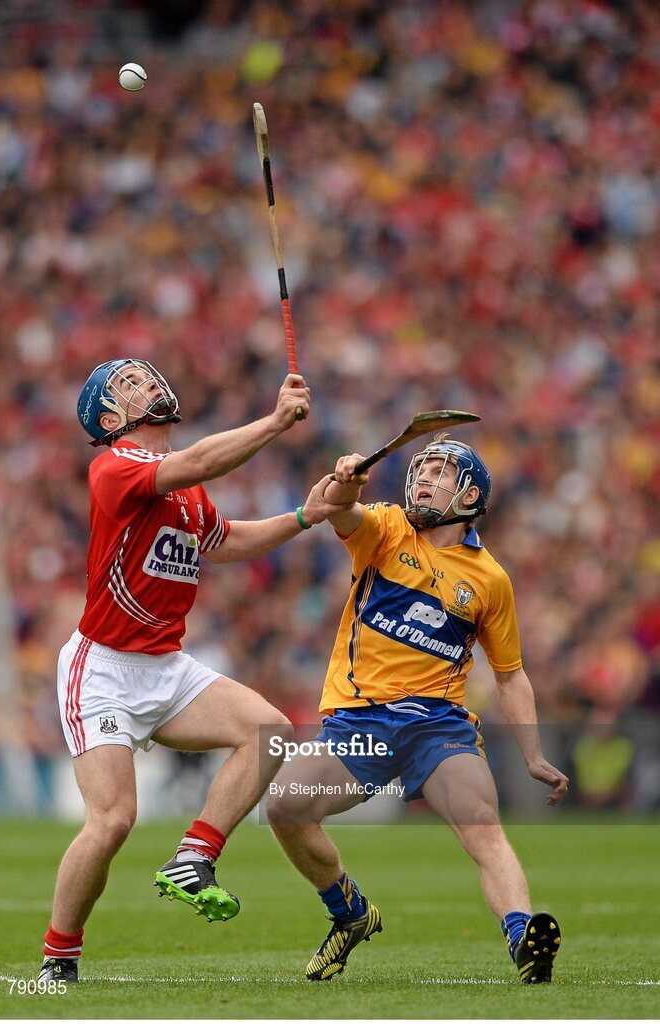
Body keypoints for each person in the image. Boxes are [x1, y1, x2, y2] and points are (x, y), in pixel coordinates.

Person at [38, 358, 340, 984]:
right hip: (102, 668)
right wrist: (277, 422)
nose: (147, 381)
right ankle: (59, 957)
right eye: (127, 384)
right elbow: (201, 461)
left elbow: (226, 541)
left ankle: (195, 854)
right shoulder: (114, 468)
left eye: (146, 375)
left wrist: (306, 516)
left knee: (269, 731)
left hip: (165, 667)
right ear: (109, 416)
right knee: (113, 821)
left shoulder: (184, 491)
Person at [266, 435, 569, 984]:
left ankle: (522, 938)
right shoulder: (385, 528)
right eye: (420, 470)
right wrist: (347, 481)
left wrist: (533, 753)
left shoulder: (490, 580)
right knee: (284, 807)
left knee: (482, 826)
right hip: (360, 723)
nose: (423, 480)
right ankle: (349, 911)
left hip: (438, 726)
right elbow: (340, 508)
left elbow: (509, 674)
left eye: (439, 474)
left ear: (471, 494)